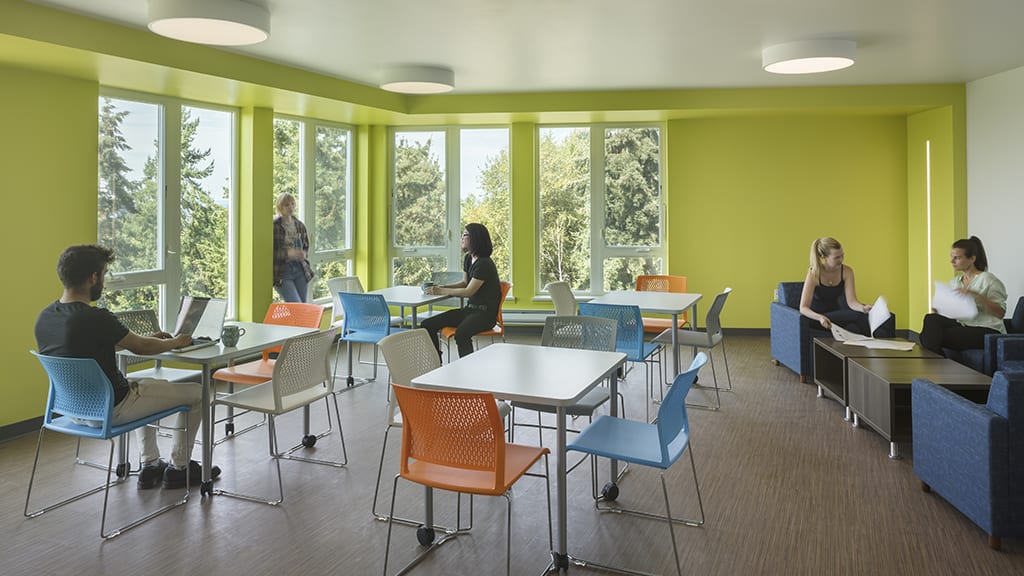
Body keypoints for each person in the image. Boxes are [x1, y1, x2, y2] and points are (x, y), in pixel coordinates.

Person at [34, 245, 221, 489]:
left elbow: (86, 347)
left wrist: (153, 338)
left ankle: (150, 465)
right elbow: (141, 347)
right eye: (103, 274)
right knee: (199, 392)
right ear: (93, 277)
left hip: (75, 411)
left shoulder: (45, 317)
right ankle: (180, 467)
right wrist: (176, 342)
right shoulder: (96, 317)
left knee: (149, 385)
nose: (103, 280)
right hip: (114, 408)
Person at [420, 223, 502, 359]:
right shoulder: (469, 258)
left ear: (475, 238)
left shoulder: (484, 264)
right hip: (470, 310)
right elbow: (465, 283)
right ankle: (436, 360)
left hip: (485, 315)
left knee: (462, 334)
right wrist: (443, 287)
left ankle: (467, 370)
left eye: (465, 235)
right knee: (427, 324)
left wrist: (441, 291)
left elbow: (469, 291)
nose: (461, 238)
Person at [920, 236, 1007, 355]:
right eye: (952, 257)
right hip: (964, 324)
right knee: (931, 319)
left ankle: (937, 365)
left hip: (987, 329)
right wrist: (940, 309)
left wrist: (976, 295)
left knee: (931, 337)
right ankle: (939, 363)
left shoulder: (988, 280)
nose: (952, 261)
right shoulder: (956, 281)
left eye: (957, 258)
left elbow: (1000, 313)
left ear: (972, 259)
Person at [799, 237, 878, 336]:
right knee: (859, 316)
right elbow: (803, 308)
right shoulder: (814, 273)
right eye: (836, 257)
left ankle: (864, 347)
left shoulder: (846, 271)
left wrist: (863, 308)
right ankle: (873, 343)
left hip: (837, 315)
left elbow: (852, 302)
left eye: (842, 255)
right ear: (824, 257)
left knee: (853, 328)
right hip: (818, 319)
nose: (841, 260)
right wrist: (819, 317)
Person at [273, 192, 314, 302]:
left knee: (302, 307)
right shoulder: (274, 226)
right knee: (296, 305)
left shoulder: (299, 225)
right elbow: (269, 252)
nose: (290, 207)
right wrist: (288, 254)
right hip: (283, 270)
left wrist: (303, 254)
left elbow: (306, 246)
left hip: (300, 268)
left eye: (292, 204)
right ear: (280, 207)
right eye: (287, 205)